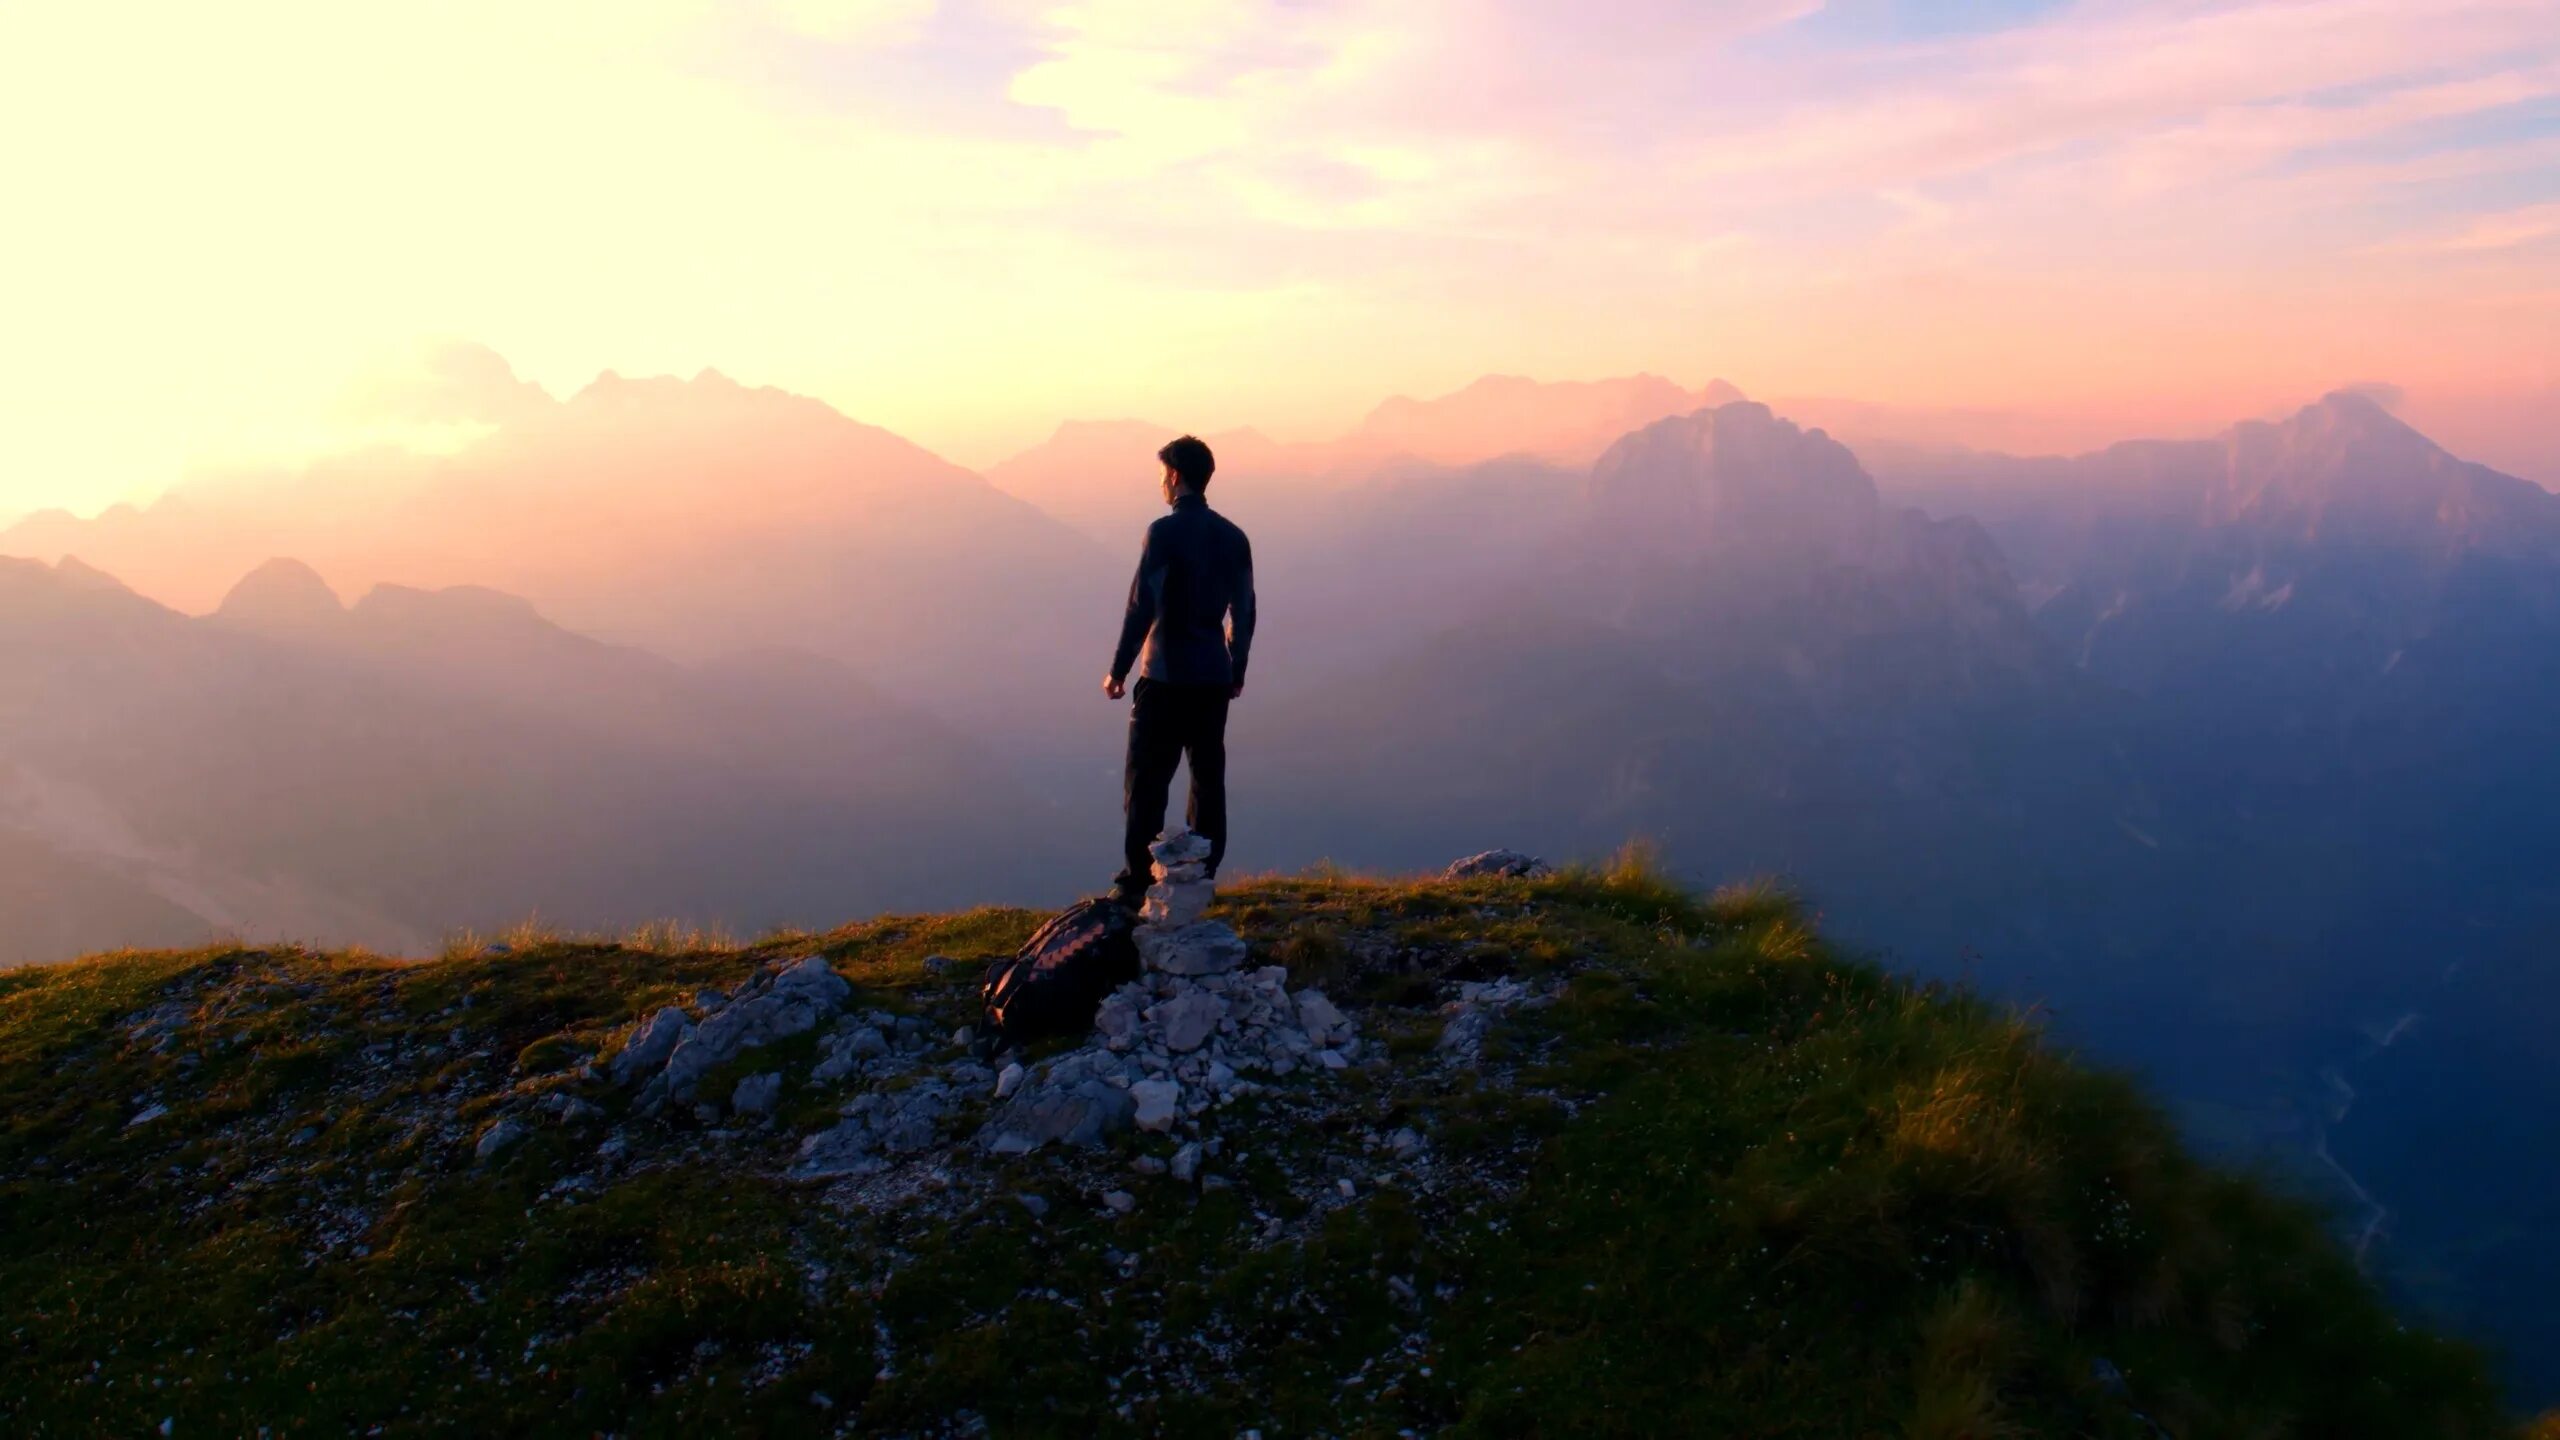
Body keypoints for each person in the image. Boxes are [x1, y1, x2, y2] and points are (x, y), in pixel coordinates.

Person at [1105, 434, 1256, 909]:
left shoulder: (1162, 533)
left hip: (1165, 675)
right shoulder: (1234, 537)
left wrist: (1118, 670)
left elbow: (1141, 605)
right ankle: (1202, 874)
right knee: (1207, 778)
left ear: (1174, 476)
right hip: (1212, 676)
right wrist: (1236, 668)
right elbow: (1246, 612)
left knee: (1147, 781)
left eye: (1162, 477)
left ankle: (1136, 884)